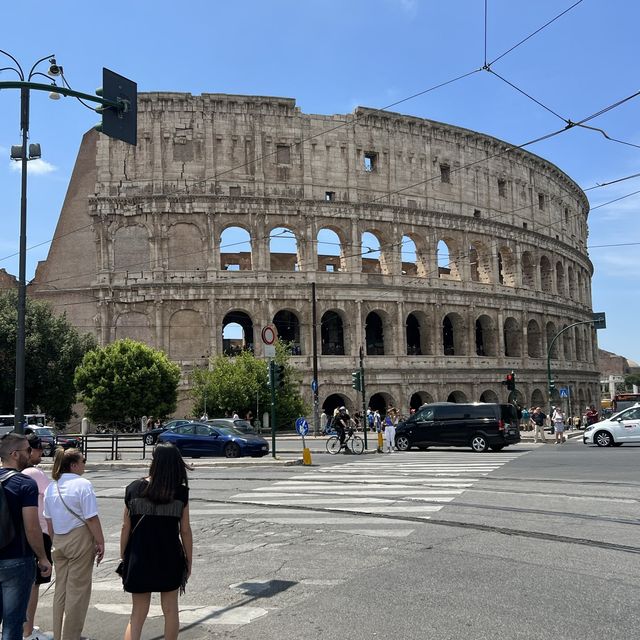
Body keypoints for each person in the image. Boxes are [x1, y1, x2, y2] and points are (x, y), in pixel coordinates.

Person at [120, 443, 193, 640]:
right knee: (170, 610)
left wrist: (124, 555)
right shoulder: (180, 493)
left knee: (137, 614)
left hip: (139, 556)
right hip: (169, 557)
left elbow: (125, 527)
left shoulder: (133, 489)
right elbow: (185, 530)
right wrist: (189, 560)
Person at [43, 448, 105, 640]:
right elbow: (91, 518)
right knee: (78, 590)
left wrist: (55, 542)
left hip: (59, 539)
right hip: (79, 538)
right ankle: (72, 636)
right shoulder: (83, 484)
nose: (85, 464)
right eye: (83, 461)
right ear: (74, 465)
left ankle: (59, 633)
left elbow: (49, 521)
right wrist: (100, 541)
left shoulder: (51, 487)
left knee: (60, 589)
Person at [0, 434, 52, 640]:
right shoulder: (25, 483)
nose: (30, 454)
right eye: (27, 450)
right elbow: (32, 527)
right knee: (12, 623)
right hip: (16, 559)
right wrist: (42, 557)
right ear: (14, 454)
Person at [21, 435, 54, 640]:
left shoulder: (14, 474)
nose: (41, 453)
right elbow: (52, 497)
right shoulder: (34, 472)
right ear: (28, 451)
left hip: (18, 535)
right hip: (38, 532)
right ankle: (27, 631)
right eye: (38, 449)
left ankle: (21, 627)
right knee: (34, 585)